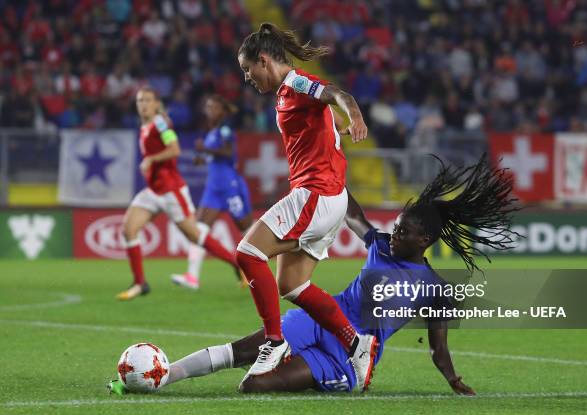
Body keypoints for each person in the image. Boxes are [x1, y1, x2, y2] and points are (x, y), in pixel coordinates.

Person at [108, 154, 518, 395]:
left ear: (425, 239)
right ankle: (163, 376)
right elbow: (349, 210)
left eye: (405, 232)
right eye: (396, 226)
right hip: (322, 317)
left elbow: (438, 345)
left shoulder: (435, 291)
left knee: (254, 386)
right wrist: (331, 173)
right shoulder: (378, 243)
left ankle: (345, 365)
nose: (395, 234)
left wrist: (452, 378)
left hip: (348, 356)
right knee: (243, 350)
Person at [235, 22, 376, 391]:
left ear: (265, 60)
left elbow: (335, 93)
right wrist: (334, 131)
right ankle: (356, 343)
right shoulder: (288, 92)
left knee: (248, 253)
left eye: (249, 70)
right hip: (331, 197)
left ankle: (274, 341)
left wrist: (355, 115)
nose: (248, 78)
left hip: (316, 194)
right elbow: (321, 114)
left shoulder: (295, 84)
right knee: (292, 284)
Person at [116, 87, 242, 300]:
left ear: (156, 103)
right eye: (139, 101)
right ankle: (140, 283)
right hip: (153, 191)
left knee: (194, 235)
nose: (143, 104)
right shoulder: (145, 125)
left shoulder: (161, 123)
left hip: (171, 191)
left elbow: (175, 149)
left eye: (147, 100)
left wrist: (151, 159)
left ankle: (237, 264)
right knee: (129, 229)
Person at [171, 95, 253, 290]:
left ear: (222, 112)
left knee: (246, 229)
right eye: (207, 106)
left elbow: (228, 153)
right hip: (213, 188)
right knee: (199, 230)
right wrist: (203, 158)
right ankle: (192, 277)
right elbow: (214, 157)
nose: (209, 110)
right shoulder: (211, 132)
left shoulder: (225, 130)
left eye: (214, 107)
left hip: (229, 186)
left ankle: (259, 270)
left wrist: (205, 150)